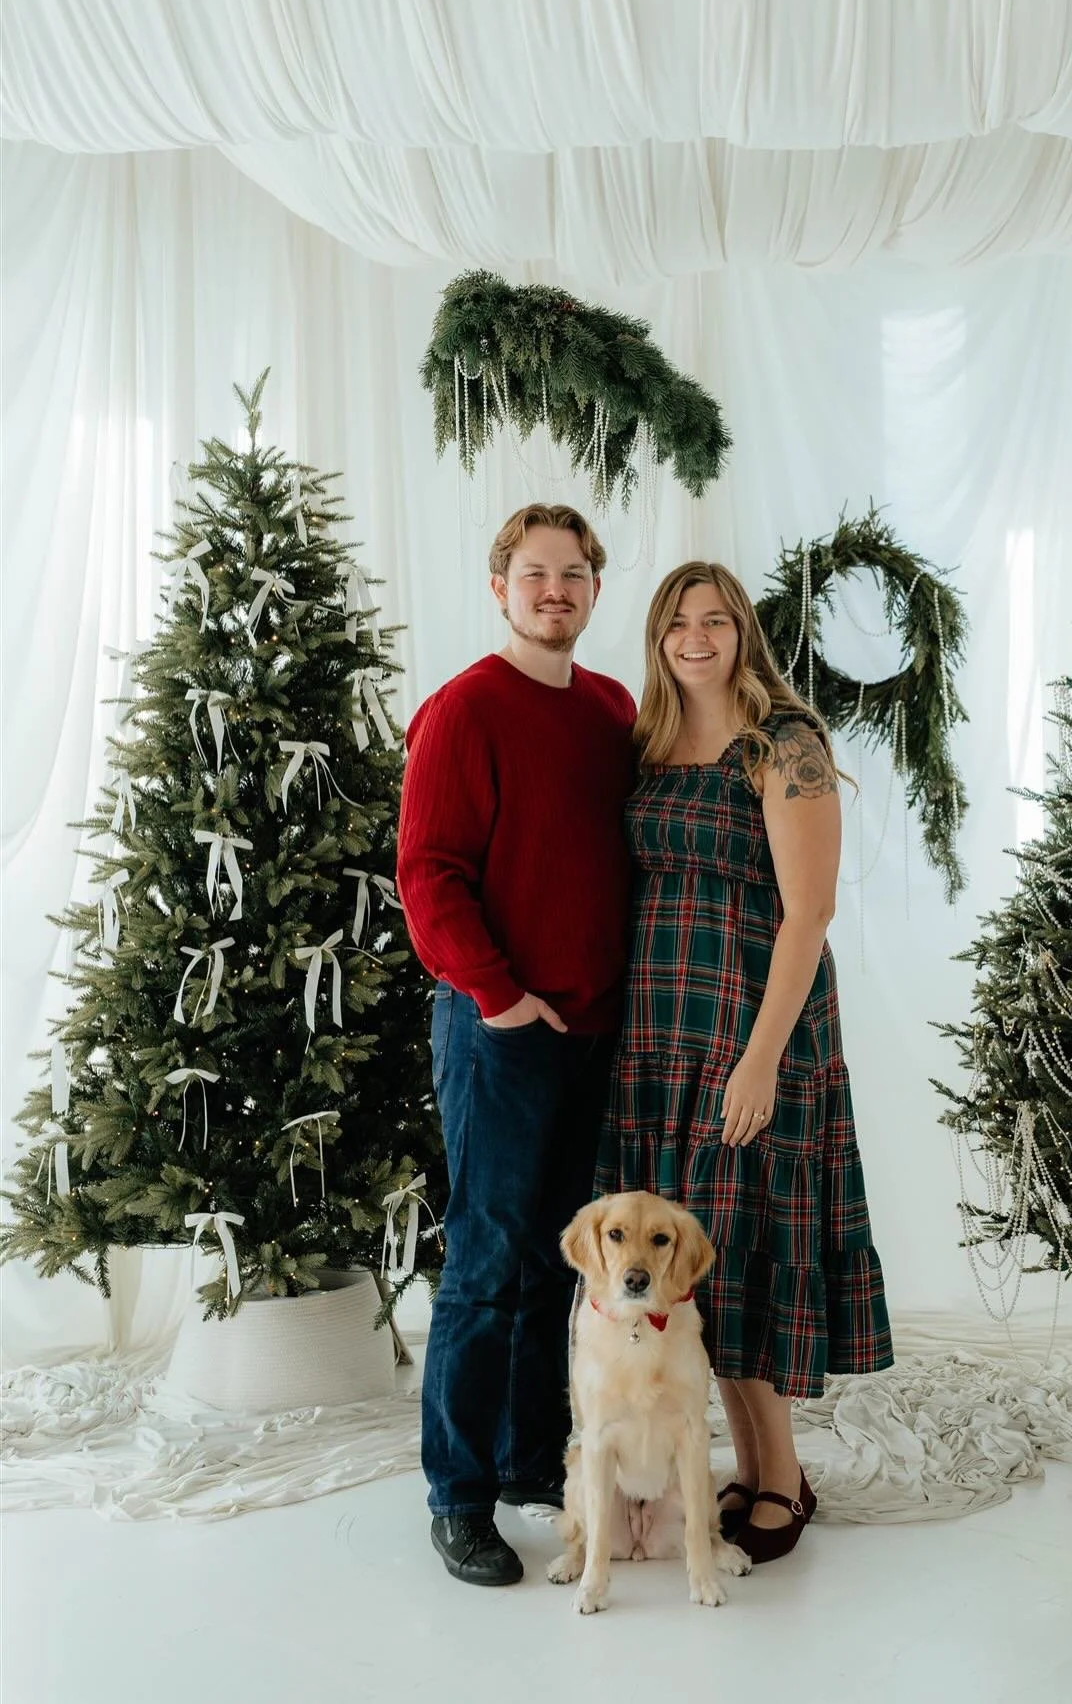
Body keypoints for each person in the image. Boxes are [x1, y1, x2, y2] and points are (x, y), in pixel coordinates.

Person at [595, 560, 894, 1564]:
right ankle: (756, 1466)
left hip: (754, 1031)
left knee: (747, 1246)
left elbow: (808, 911)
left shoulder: (785, 743)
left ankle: (785, 1475)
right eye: (678, 621)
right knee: (692, 1265)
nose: (696, 635)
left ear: (741, 633)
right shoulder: (648, 741)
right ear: (657, 636)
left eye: (714, 619)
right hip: (661, 1039)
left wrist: (761, 1060)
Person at [397, 503, 637, 1588]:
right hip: (497, 1028)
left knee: (561, 1259)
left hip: (591, 1028)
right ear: (501, 586)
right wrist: (497, 993)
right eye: (535, 574)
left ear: (594, 590)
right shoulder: (464, 710)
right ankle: (458, 1493)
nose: (556, 591)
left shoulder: (611, 709)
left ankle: (533, 1456)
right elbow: (429, 871)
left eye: (574, 575)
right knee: (487, 1263)